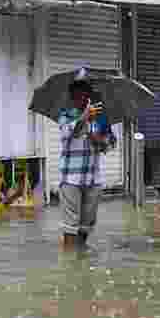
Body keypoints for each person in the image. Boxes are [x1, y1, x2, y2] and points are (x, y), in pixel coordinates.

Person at [58, 80, 112, 249]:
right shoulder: (66, 115)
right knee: (70, 226)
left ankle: (79, 256)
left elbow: (108, 145)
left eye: (84, 96)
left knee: (87, 224)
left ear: (89, 97)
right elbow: (70, 132)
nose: (80, 99)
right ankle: (69, 262)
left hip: (92, 180)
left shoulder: (101, 119)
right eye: (76, 96)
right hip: (71, 179)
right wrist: (84, 118)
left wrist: (99, 140)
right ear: (72, 98)